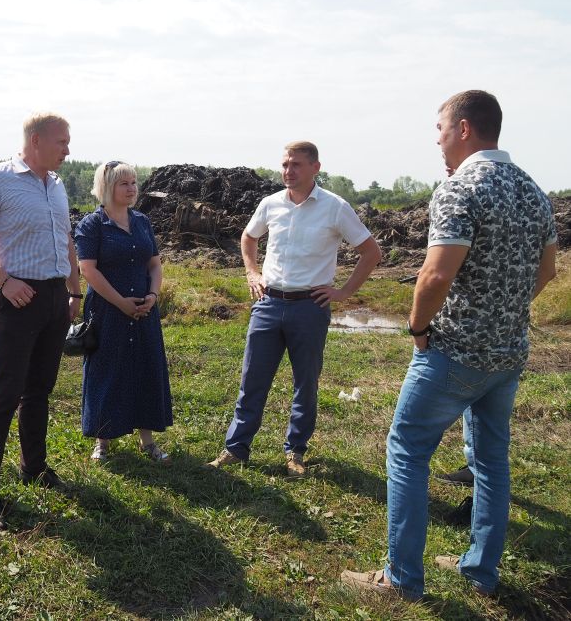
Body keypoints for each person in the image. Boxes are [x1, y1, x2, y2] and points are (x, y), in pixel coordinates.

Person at [341, 90, 557, 600]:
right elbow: (547, 270)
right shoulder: (533, 191)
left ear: (463, 129)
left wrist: (418, 328)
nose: (436, 141)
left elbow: (436, 273)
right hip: (507, 353)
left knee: (407, 451)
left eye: (439, 129)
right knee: (491, 461)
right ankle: (481, 571)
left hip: (455, 351)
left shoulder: (460, 188)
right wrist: (503, 309)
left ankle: (401, 580)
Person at [208, 141, 382, 477]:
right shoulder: (271, 204)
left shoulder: (335, 207)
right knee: (252, 379)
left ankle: (295, 452)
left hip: (309, 308)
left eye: (297, 165)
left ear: (316, 168)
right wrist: (252, 272)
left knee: (306, 383)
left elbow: (371, 252)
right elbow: (248, 237)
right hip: (269, 304)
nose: (289, 171)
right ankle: (235, 449)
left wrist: (344, 291)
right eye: (285, 164)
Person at [0, 112, 81, 530]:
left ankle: (34, 466)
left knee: (39, 389)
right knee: (5, 393)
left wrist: (73, 289)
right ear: (37, 139)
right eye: (62, 141)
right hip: (16, 295)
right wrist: (3, 281)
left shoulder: (56, 185)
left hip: (52, 296)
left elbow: (65, 239)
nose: (67, 148)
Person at [74, 161, 173, 462]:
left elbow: (154, 264)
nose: (132, 189)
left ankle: (148, 441)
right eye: (123, 183)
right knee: (108, 370)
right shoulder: (92, 225)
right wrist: (120, 302)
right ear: (107, 187)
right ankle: (102, 440)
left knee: (145, 367)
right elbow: (88, 270)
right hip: (108, 311)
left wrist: (153, 295)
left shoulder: (142, 221)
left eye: (133, 182)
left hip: (144, 310)